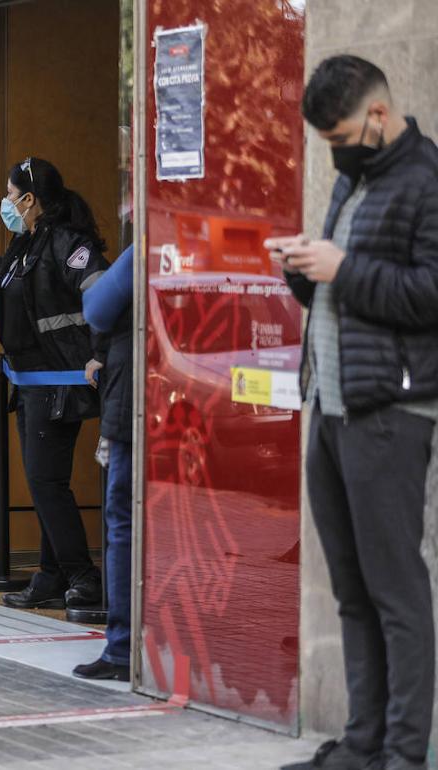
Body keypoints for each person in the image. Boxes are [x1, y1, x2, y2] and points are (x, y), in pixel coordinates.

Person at [272, 56, 438, 770]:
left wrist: (342, 267)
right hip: (331, 407)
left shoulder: (427, 181)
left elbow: (429, 295)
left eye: (339, 133)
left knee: (395, 592)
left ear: (377, 115)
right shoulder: (353, 177)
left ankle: (404, 753)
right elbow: (338, 296)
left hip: (391, 412)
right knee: (351, 589)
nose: (333, 148)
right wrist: (303, 268)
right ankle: (362, 744)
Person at [0, 157, 108, 611]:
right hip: (33, 381)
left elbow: (101, 292)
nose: (6, 202)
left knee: (45, 482)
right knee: (45, 481)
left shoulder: (66, 244)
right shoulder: (25, 243)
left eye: (10, 194)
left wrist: (100, 353)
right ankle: (53, 574)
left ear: (30, 199)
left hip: (62, 380)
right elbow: (11, 291)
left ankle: (81, 574)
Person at [73, 243, 133, 682]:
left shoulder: (147, 244)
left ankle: (123, 647)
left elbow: (97, 305)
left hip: (134, 402)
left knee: (123, 523)